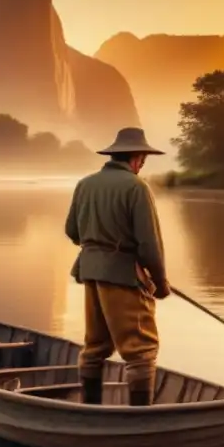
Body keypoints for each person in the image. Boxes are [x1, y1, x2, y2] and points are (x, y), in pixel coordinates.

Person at [64, 127, 170, 407]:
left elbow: (72, 231)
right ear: (137, 158)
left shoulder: (85, 184)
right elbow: (149, 245)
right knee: (141, 350)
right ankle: (140, 419)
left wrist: (98, 244)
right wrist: (160, 282)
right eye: (143, 157)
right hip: (123, 275)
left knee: (95, 346)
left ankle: (91, 409)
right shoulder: (137, 187)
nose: (143, 163)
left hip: (90, 272)